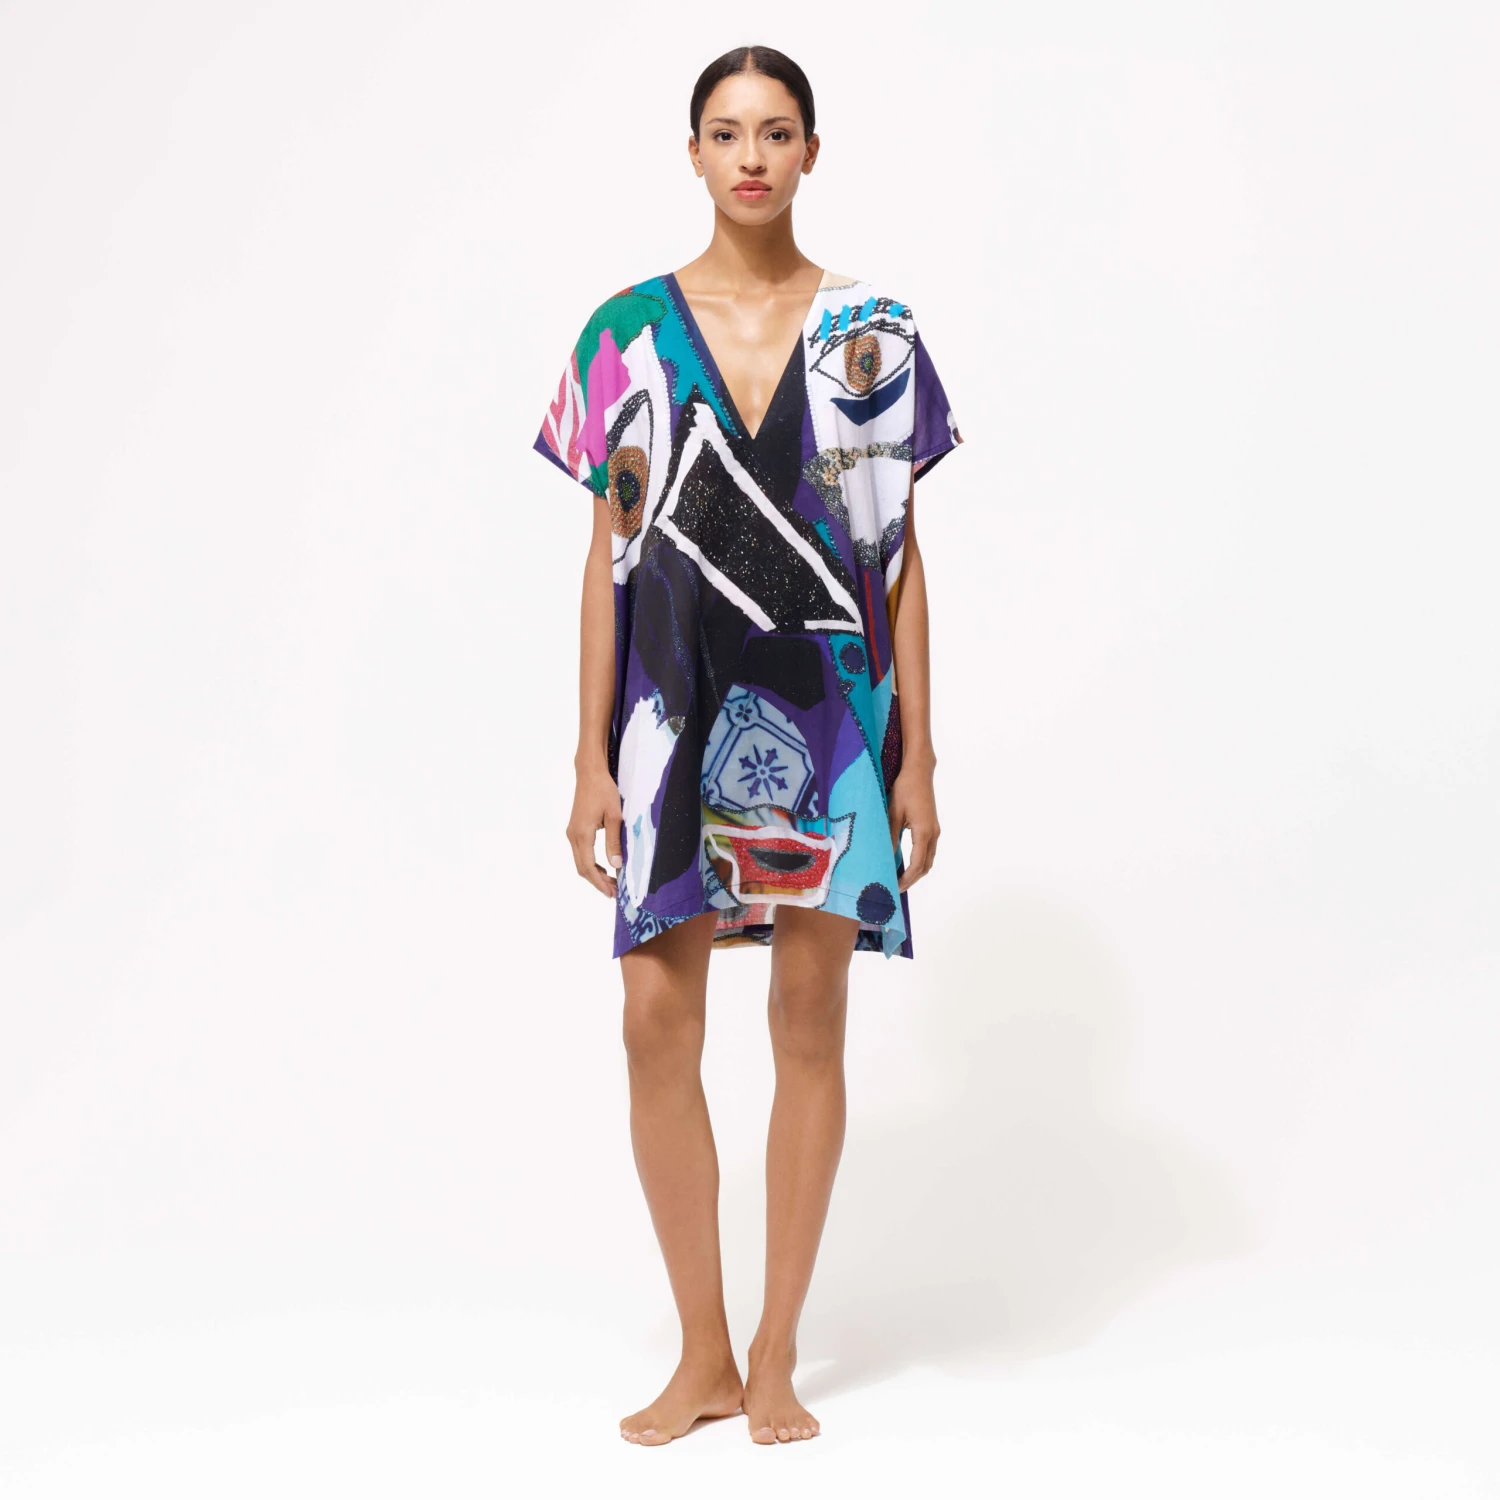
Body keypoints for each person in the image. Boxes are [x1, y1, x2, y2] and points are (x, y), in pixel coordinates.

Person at [534, 44, 961, 1446]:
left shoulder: (872, 333)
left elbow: (900, 555)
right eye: (727, 133)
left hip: (833, 720)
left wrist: (919, 755)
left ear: (811, 152)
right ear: (695, 154)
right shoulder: (623, 335)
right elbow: (604, 556)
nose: (753, 157)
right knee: (654, 1019)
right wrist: (589, 759)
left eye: (777, 132)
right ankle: (702, 1351)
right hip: (669, 712)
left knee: (809, 1019)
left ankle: (776, 1353)